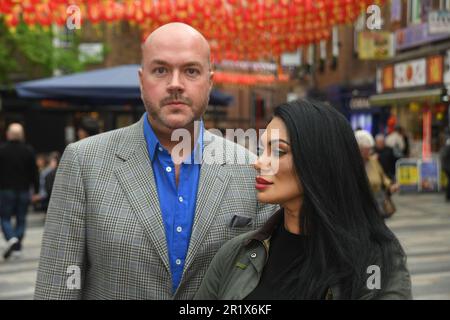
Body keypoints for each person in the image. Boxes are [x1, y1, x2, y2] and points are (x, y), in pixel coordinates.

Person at [35, 22, 277, 299]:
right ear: (141, 81)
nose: (175, 84)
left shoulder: (250, 168)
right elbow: (59, 281)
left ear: (209, 82)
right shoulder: (84, 162)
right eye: (161, 70)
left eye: (191, 71)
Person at [195, 99, 411, 300]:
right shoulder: (237, 253)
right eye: (262, 150)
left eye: (278, 151)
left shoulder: (377, 260)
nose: (259, 162)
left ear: (319, 161)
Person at [0, 123, 39, 260]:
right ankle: (17, 246)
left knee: (4, 217)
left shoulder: (2, 150)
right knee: (21, 218)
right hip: (23, 189)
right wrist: (36, 190)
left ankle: (12, 239)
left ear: (8, 134)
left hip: (5, 190)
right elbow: (34, 172)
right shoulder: (28, 150)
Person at [356, 130, 399, 218]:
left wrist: (390, 185)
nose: (369, 152)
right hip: (363, 200)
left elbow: (383, 176)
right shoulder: (354, 164)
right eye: (366, 150)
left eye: (369, 149)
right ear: (359, 150)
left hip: (378, 197)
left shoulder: (373, 161)